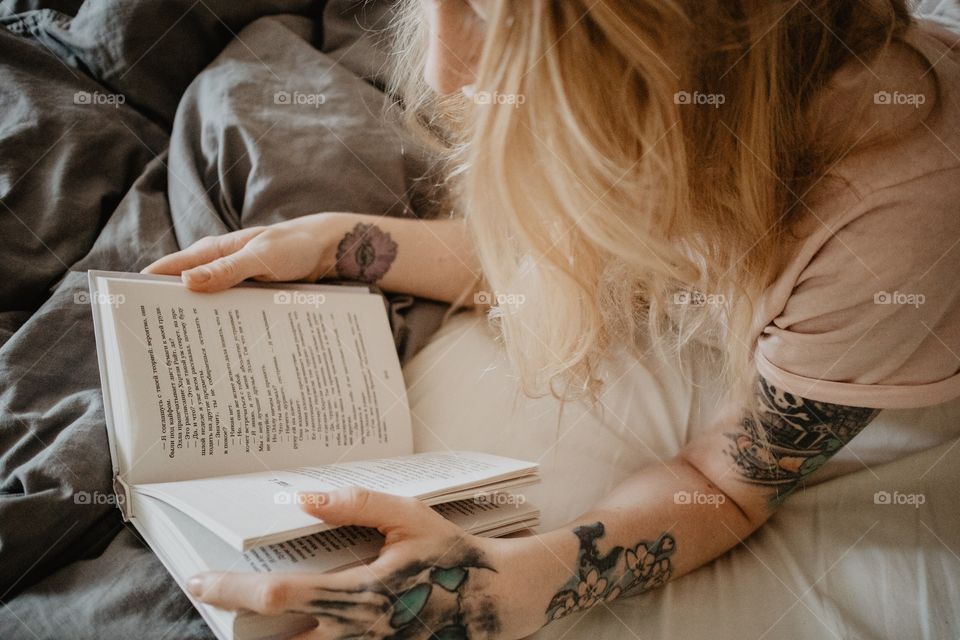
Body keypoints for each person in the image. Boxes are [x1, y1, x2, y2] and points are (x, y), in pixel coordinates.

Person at [144, 1, 960, 638]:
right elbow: (560, 262)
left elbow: (729, 485)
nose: (446, 71)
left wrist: (512, 584)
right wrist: (338, 243)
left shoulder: (890, 217)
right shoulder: (670, 109)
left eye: (495, 16)